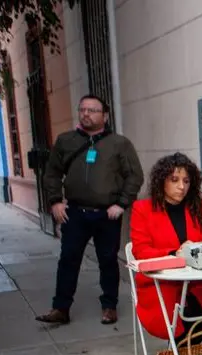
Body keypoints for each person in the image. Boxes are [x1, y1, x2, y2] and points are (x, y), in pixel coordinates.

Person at [35, 94, 144, 326]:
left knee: (107, 260)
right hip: (74, 213)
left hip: (107, 214)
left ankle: (109, 306)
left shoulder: (119, 144)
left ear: (104, 115)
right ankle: (60, 308)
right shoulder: (66, 141)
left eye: (92, 110)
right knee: (68, 260)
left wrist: (122, 203)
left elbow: (134, 176)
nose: (86, 114)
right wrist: (55, 201)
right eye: (82, 109)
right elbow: (52, 173)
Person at [129, 152, 202, 343]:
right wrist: (174, 254)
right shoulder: (142, 209)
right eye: (174, 180)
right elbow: (141, 251)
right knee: (177, 319)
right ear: (162, 181)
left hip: (196, 282)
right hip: (161, 283)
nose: (181, 186)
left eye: (186, 181)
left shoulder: (198, 206)